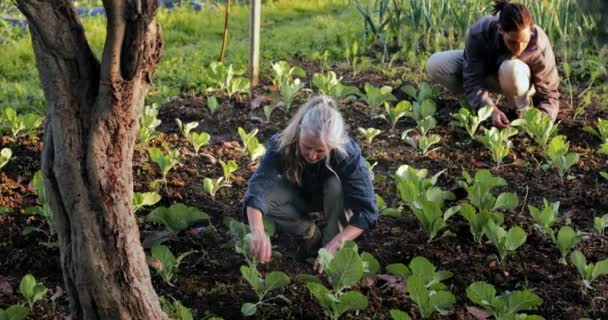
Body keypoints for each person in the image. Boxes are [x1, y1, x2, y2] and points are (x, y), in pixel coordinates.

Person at [242, 95, 378, 272]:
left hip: (331, 199)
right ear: (299, 132)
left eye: (320, 151)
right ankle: (309, 234)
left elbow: (367, 211)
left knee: (336, 185)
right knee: (269, 197)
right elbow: (258, 189)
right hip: (296, 196)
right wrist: (258, 232)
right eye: (307, 147)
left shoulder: (348, 154)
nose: (312, 155)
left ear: (333, 145)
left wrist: (337, 243)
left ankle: (329, 244)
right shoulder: (282, 144)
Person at [426, 0, 560, 128]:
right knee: (436, 64)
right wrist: (490, 110)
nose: (519, 49)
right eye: (512, 42)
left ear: (531, 31)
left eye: (524, 42)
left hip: (521, 81)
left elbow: (549, 94)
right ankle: (473, 103)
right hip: (489, 74)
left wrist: (541, 124)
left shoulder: (539, 44)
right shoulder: (480, 32)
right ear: (500, 30)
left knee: (510, 68)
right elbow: (472, 80)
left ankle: (520, 110)